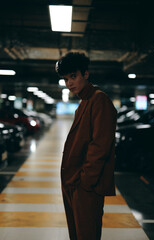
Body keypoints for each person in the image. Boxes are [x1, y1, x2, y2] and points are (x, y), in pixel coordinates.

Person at [55, 52, 117, 240]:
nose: (69, 83)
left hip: (85, 187)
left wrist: (85, 182)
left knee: (86, 235)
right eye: (66, 79)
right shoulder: (85, 101)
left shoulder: (99, 100)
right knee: (78, 235)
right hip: (74, 184)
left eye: (73, 76)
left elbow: (100, 145)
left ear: (86, 74)